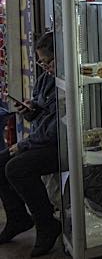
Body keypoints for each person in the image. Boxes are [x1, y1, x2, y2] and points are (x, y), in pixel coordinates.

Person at [0, 32, 61, 257]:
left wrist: (24, 146)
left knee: (16, 168)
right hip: (41, 140)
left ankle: (46, 224)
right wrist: (30, 110)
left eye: (48, 62)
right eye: (41, 62)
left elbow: (56, 130)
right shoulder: (46, 78)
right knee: (2, 163)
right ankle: (18, 218)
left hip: (60, 145)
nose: (45, 67)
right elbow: (41, 113)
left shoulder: (66, 82)